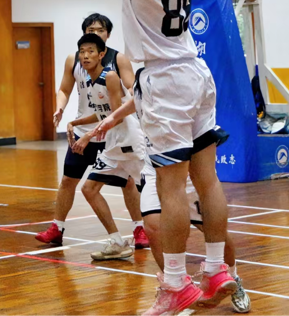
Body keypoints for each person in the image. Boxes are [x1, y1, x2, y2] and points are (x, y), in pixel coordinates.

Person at [96, 0, 236, 315]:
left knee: (171, 187)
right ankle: (216, 267)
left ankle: (175, 282)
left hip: (165, 81)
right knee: (207, 180)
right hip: (196, 72)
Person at [99, 102, 252, 313]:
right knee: (153, 227)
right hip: (153, 164)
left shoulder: (180, 89)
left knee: (213, 231)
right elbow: (137, 94)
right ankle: (177, 288)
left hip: (186, 166)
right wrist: (113, 117)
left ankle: (231, 276)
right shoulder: (145, 86)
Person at [36, 14, 147, 248]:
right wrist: (66, 116)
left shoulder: (115, 65)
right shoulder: (78, 64)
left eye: (100, 30)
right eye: (90, 30)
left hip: (115, 135)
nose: (95, 34)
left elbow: (124, 100)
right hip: (90, 130)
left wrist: (133, 98)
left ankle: (141, 229)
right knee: (70, 181)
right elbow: (71, 94)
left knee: (130, 183)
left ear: (107, 36)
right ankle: (58, 228)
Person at [70, 34, 146, 261]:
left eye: (91, 51)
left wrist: (88, 136)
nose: (85, 56)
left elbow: (117, 116)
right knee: (89, 189)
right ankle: (117, 242)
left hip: (130, 142)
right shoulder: (89, 80)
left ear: (102, 54)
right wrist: (75, 122)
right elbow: (102, 113)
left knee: (161, 192)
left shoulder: (110, 76)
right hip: (114, 145)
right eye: (82, 51)